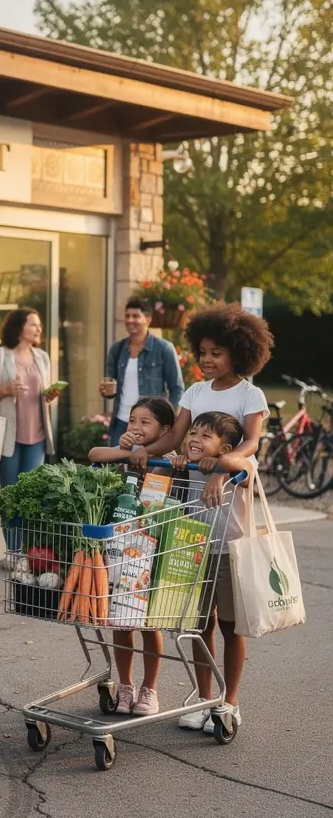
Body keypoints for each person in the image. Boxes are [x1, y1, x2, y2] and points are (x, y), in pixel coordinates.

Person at [130, 303, 273, 731]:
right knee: (197, 620)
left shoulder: (251, 395)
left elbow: (251, 444)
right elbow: (174, 436)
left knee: (230, 623)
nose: (208, 360)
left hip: (229, 522)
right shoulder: (195, 391)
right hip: (192, 526)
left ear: (240, 353)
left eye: (217, 352)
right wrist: (144, 451)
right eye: (204, 352)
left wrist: (225, 461)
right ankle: (203, 695)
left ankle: (228, 702)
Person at [89, 396, 176, 716]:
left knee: (150, 624)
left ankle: (149, 689)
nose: (136, 427)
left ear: (165, 430)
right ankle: (125, 685)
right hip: (123, 548)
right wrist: (126, 450)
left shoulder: (170, 457)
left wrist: (148, 455)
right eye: (132, 421)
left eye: (145, 422)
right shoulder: (125, 452)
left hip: (155, 548)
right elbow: (95, 455)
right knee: (122, 622)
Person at [0, 307, 61, 546]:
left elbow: (43, 394)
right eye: (34, 324)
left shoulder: (42, 357)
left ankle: (28, 548)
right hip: (9, 437)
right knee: (11, 495)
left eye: (39, 325)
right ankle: (13, 550)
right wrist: (5, 390)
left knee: (31, 495)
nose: (39, 329)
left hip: (37, 435)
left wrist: (51, 395)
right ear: (19, 328)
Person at [99, 297, 183, 447]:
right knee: (117, 469)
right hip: (121, 423)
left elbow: (177, 388)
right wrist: (106, 391)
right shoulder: (117, 349)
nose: (130, 320)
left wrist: (167, 419)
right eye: (127, 316)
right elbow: (110, 386)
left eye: (135, 316)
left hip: (151, 426)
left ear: (148, 319)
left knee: (150, 468)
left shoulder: (164, 348)